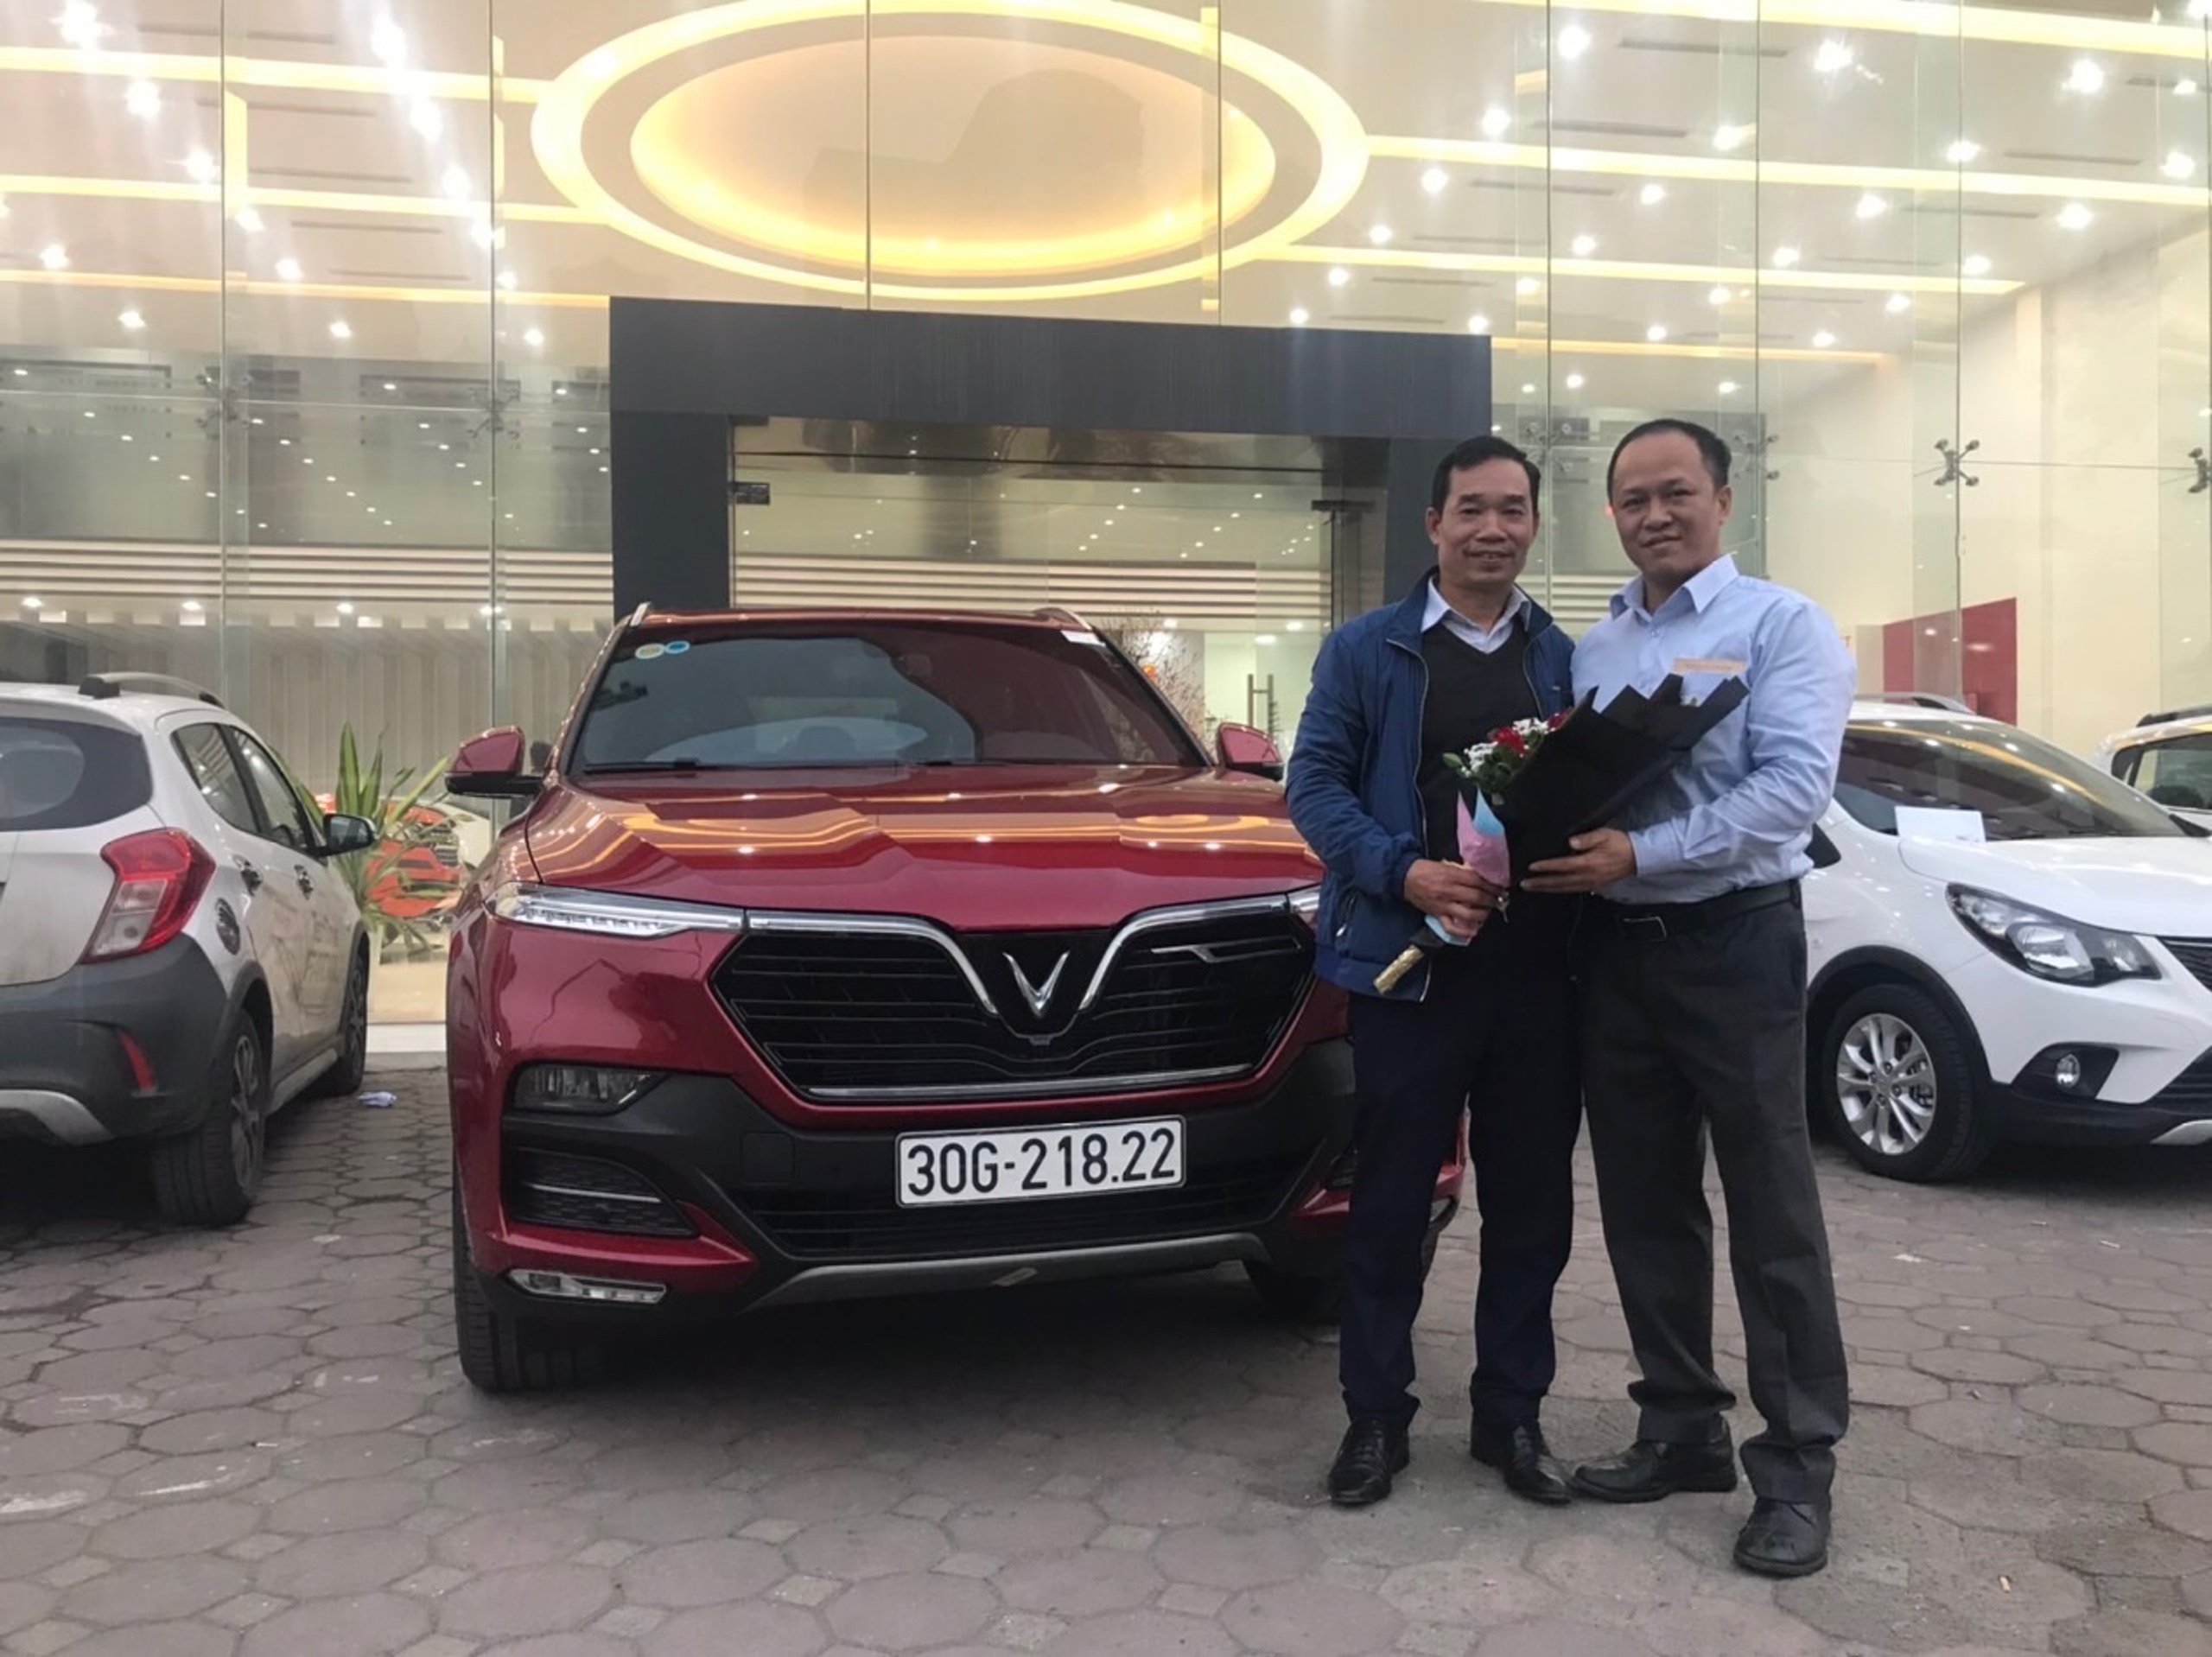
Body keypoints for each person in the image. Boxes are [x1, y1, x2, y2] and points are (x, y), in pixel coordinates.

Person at [1522, 417, 1853, 1578]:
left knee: (1771, 1209)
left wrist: (1641, 853)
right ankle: (1679, 1426)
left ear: (1723, 497)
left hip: (1736, 941)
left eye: (1674, 492)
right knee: (1645, 1199)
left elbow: (1793, 790)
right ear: (1610, 514)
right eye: (1632, 499)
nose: (1654, 514)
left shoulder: (1781, 624)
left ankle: (1797, 1467)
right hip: (1617, 951)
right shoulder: (1598, 644)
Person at [1287, 435, 1583, 1509]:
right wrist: (1404, 871)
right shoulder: (1366, 650)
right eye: (1471, 509)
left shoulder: (1565, 659)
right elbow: (1313, 788)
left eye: (1511, 510)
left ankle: (1512, 1413)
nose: (1491, 529)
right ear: (1433, 523)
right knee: (1390, 1205)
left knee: (1532, 1207)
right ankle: (1375, 1416)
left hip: (1538, 975)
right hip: (1407, 972)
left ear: (1533, 525)